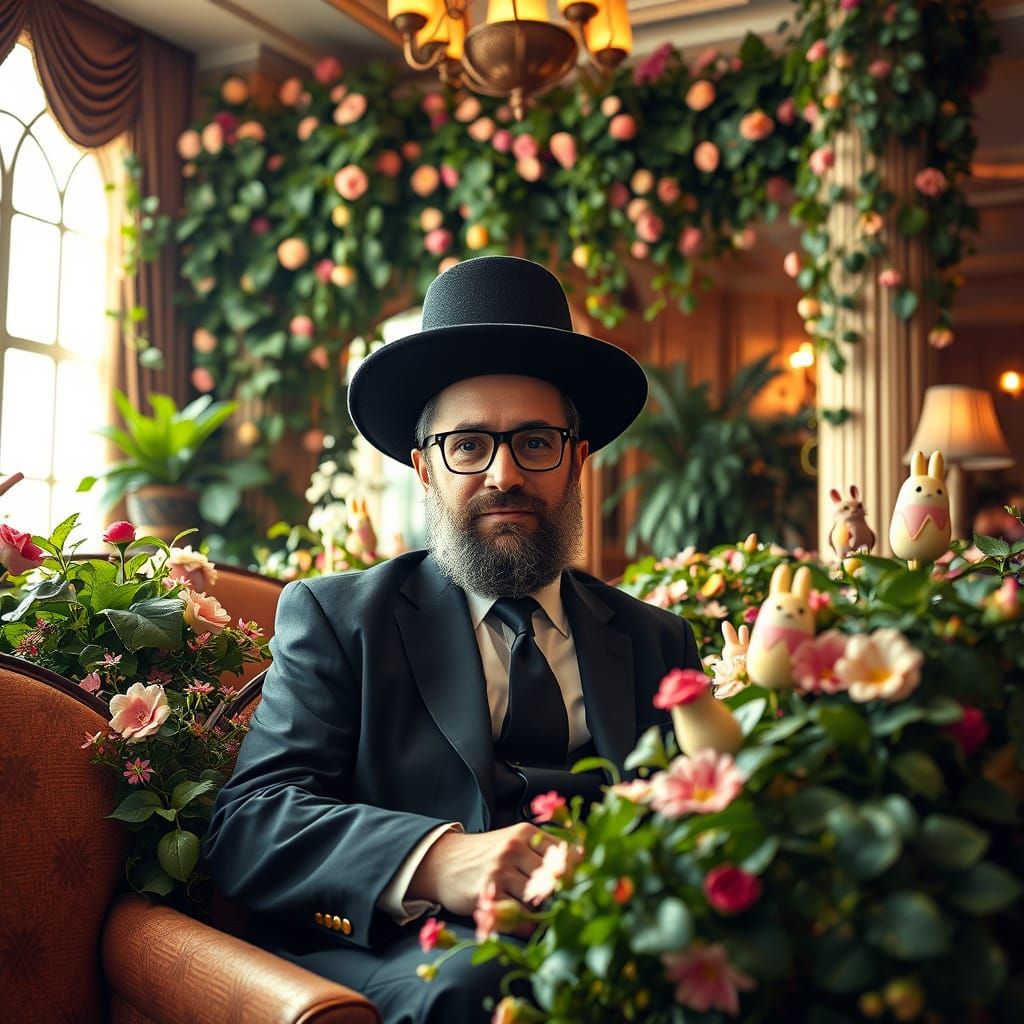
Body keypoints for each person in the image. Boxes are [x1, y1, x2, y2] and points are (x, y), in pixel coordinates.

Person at [205, 255, 702, 1023]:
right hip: (415, 953)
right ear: (425, 469)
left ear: (578, 459)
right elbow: (253, 821)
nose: (504, 473)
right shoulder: (338, 620)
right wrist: (437, 860)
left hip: (617, 935)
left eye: (535, 441)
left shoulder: (658, 640)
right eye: (468, 445)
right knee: (479, 988)